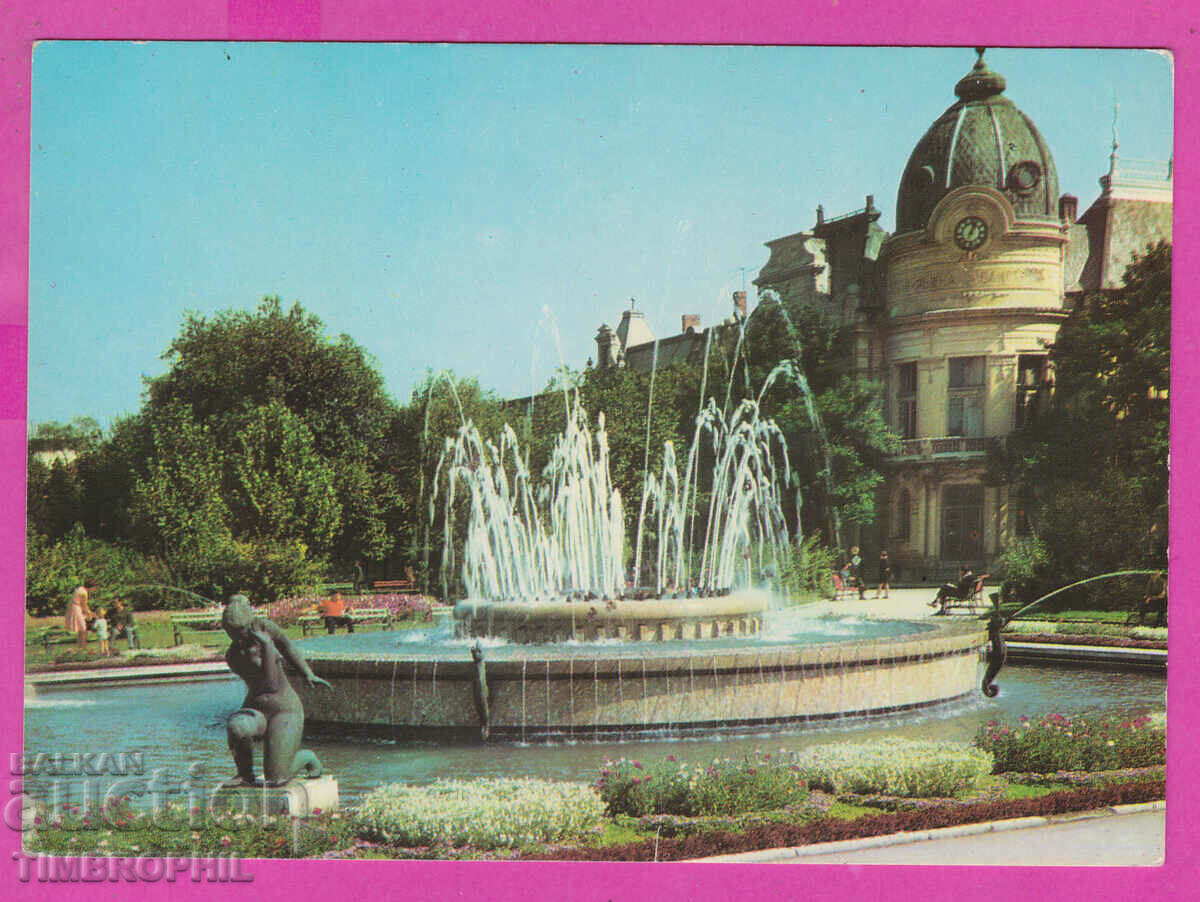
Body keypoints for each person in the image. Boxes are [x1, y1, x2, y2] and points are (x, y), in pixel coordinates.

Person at [222, 595, 331, 786]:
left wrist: (307, 672)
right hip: (257, 709)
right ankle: (244, 774)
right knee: (237, 726)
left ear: (251, 623)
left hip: (285, 710)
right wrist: (266, 646)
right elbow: (266, 684)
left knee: (277, 778)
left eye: (241, 631)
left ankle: (307, 757)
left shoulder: (266, 629)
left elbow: (287, 647)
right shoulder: (233, 656)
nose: (238, 637)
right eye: (232, 633)